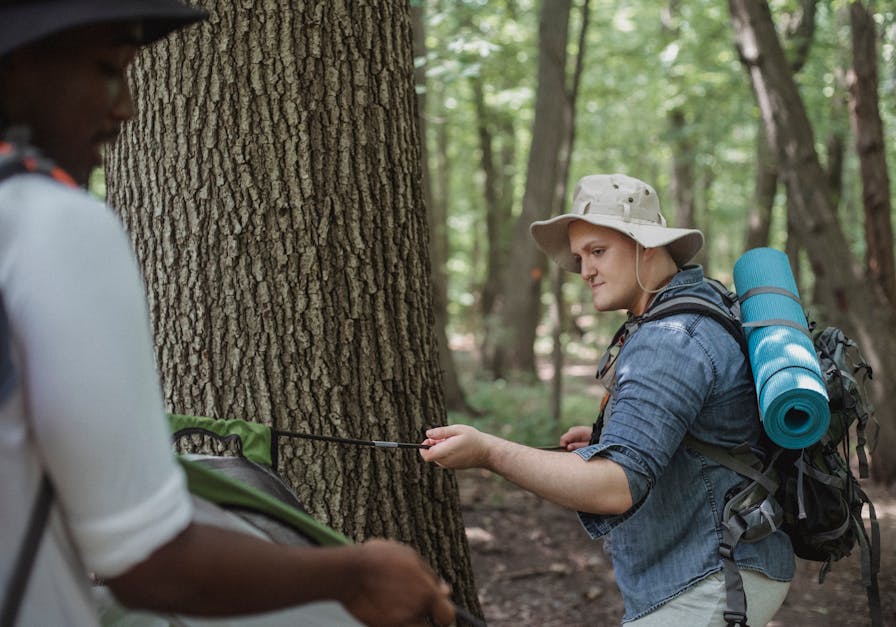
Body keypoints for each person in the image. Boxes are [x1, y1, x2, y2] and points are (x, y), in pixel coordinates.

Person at [0, 2, 454, 626]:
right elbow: (151, 563)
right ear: (17, 62)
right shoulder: (48, 222)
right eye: (107, 69)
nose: (125, 107)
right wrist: (361, 571)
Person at [421, 174, 795, 626]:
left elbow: (614, 487)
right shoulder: (690, 307)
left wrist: (489, 452)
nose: (586, 270)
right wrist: (611, 435)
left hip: (708, 580)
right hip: (725, 567)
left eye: (598, 251)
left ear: (648, 246)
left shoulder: (670, 338)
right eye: (580, 258)